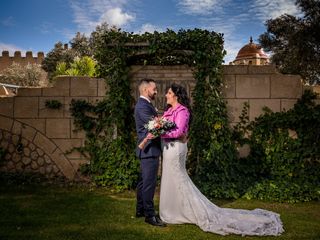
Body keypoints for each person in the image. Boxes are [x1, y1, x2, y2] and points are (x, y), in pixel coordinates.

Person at [159, 83, 284, 236]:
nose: (166, 95)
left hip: (177, 148)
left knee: (178, 178)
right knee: (170, 179)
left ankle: (188, 211)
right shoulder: (168, 111)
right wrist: (158, 127)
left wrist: (161, 133)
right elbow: (164, 126)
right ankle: (173, 209)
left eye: (169, 93)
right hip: (167, 149)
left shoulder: (183, 111)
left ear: (176, 96)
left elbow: (178, 132)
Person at [134, 78, 166, 227]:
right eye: (154, 89)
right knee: (149, 184)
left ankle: (140, 209)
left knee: (142, 183)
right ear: (146, 90)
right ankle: (149, 214)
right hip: (149, 149)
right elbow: (154, 126)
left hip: (148, 149)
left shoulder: (145, 105)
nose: (156, 92)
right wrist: (168, 124)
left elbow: (154, 122)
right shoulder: (142, 106)